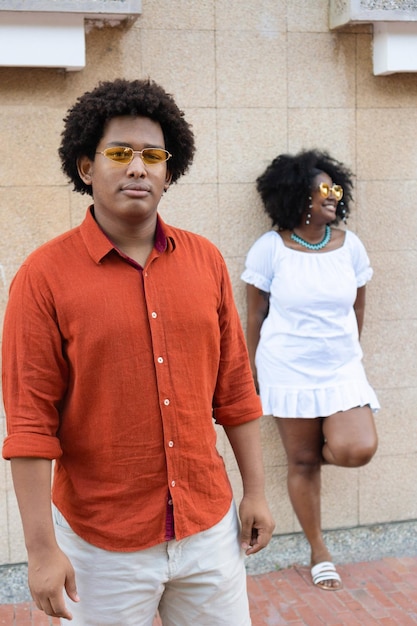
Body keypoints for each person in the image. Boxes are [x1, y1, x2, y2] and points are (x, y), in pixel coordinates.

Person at [2, 78, 275, 625]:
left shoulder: (206, 262)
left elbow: (236, 391)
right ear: (86, 168)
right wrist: (40, 551)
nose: (137, 167)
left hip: (207, 530)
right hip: (102, 546)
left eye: (153, 155)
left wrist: (257, 493)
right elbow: (31, 424)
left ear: (169, 171)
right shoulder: (43, 278)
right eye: (119, 153)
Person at [241, 149, 379, 591]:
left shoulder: (349, 244)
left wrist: (348, 355)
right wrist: (251, 375)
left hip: (340, 369)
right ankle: (319, 551)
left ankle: (310, 448)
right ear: (297, 194)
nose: (333, 196)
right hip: (287, 370)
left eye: (336, 188)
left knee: (358, 448)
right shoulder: (270, 249)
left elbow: (358, 306)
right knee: (301, 462)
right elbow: (254, 317)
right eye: (324, 189)